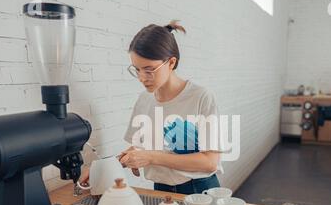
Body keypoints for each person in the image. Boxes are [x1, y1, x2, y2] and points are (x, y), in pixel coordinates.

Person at [80, 20, 224, 195]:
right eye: (137, 70)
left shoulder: (201, 97)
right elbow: (142, 149)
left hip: (200, 189)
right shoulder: (144, 100)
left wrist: (150, 157)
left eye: (149, 70)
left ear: (171, 63)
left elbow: (210, 162)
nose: (142, 78)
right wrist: (102, 169)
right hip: (161, 189)